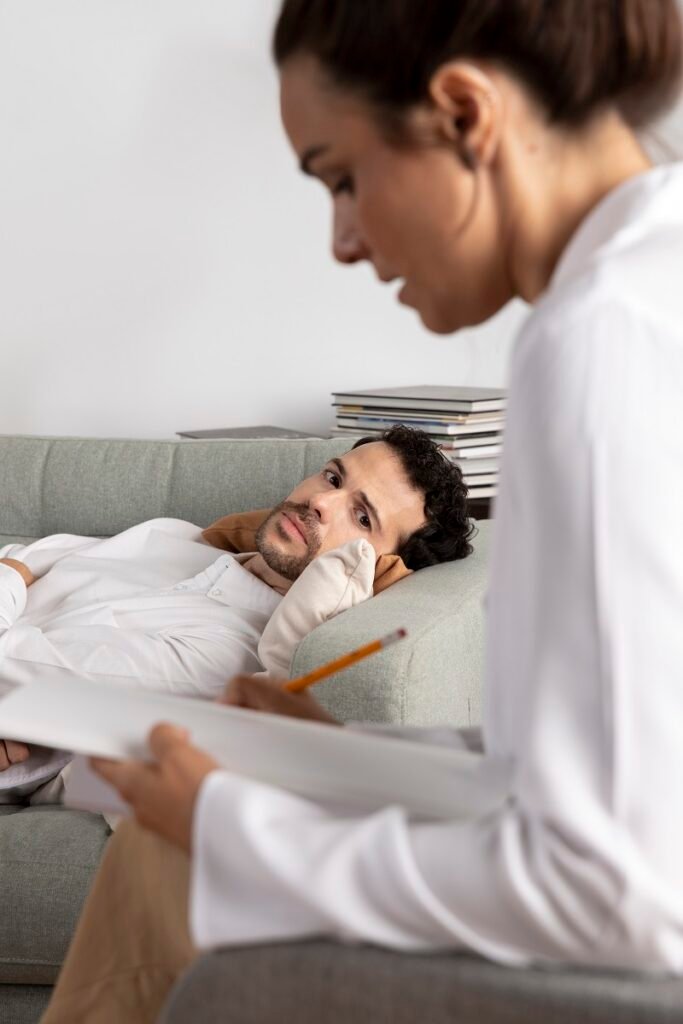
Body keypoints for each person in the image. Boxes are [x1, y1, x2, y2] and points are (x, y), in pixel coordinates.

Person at [42, 0, 683, 1020]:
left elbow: (617, 886)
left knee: (175, 847)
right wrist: (329, 757)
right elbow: (602, 770)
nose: (341, 240)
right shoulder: (647, 282)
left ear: (464, 114)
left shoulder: (597, 338)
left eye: (342, 177)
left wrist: (233, 823)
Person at [0, 425, 472, 799]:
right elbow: (32, 552)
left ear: (377, 568)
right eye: (332, 477)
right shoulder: (182, 538)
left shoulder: (222, 655)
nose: (320, 503)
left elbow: (14, 662)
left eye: (362, 517)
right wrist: (17, 568)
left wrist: (16, 575)